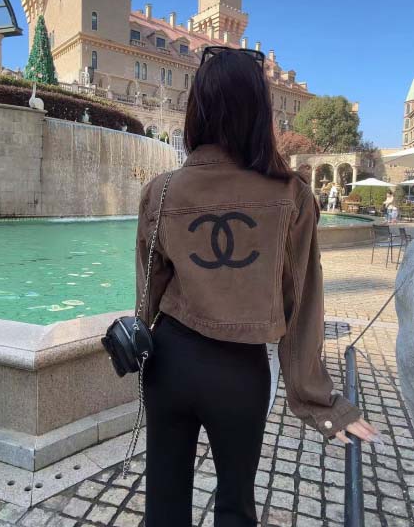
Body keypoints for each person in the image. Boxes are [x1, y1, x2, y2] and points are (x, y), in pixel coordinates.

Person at [135, 47, 378, 527]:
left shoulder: (160, 191)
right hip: (239, 373)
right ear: (260, 112)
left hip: (169, 363)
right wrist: (319, 402)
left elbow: (147, 295)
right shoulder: (291, 194)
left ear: (197, 109)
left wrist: (137, 345)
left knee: (163, 503)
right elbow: (302, 304)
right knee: (235, 506)